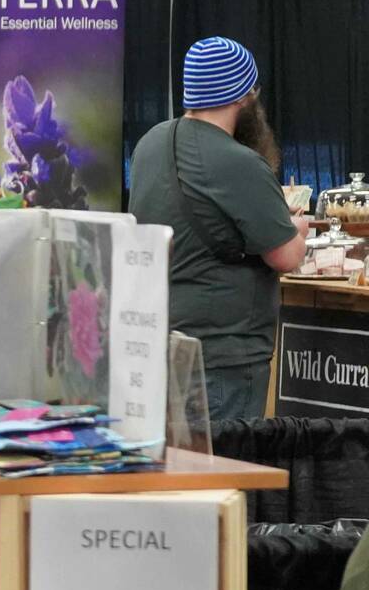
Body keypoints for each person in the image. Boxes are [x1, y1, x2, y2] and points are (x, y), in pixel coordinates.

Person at [128, 36, 309, 423]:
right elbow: (286, 255)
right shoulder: (239, 162)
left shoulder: (149, 145)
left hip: (159, 345)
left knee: (175, 478)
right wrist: (297, 229)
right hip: (224, 357)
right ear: (243, 97)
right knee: (226, 473)